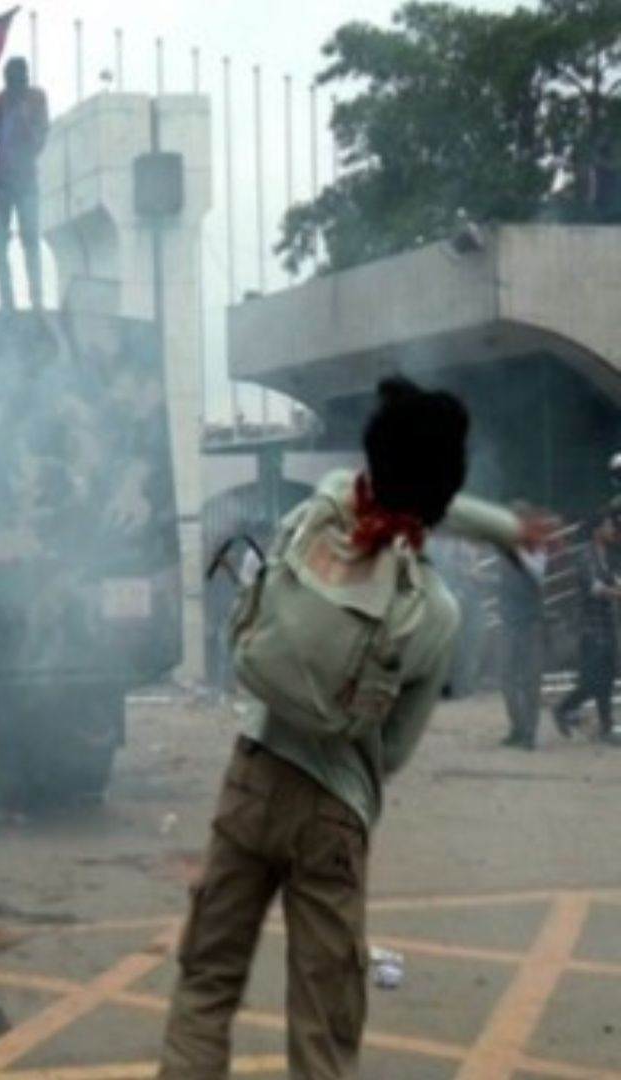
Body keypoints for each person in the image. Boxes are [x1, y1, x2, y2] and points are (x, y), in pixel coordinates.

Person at [157, 377, 541, 1079]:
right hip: (334, 814)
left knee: (206, 985)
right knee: (324, 1024)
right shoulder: (434, 612)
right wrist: (509, 530)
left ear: (374, 459)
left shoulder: (324, 506)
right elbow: (390, 752)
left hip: (253, 776)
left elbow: (404, 495)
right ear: (442, 487)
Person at [0, 56, 50, 311]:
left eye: (21, 81)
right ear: (6, 81)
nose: (17, 86)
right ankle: (8, 301)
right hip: (1, 184)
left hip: (27, 182)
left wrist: (24, 120)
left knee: (30, 239)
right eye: (12, 82)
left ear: (26, 79)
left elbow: (40, 143)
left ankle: (37, 299)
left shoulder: (36, 100)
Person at [552, 511, 621, 744]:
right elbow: (595, 588)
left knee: (608, 677)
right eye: (609, 525)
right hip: (591, 628)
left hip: (605, 626)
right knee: (593, 679)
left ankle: (605, 726)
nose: (613, 529)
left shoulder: (606, 556)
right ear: (596, 531)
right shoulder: (586, 556)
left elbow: (612, 583)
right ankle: (563, 708)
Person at [499, 540, 548, 750]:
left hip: (531, 622)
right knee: (506, 676)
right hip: (510, 621)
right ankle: (518, 726)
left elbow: (538, 573)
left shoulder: (536, 548)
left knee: (531, 679)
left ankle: (530, 732)